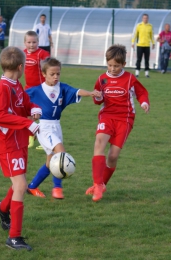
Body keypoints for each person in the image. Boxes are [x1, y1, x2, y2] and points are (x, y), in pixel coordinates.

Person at [25, 57, 101, 199]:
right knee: (61, 153)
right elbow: (19, 99)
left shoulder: (62, 88)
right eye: (52, 74)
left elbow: (77, 91)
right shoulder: (36, 90)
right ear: (43, 74)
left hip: (56, 126)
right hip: (44, 127)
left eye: (58, 74)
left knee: (50, 162)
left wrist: (90, 93)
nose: (55, 77)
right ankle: (57, 188)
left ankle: (32, 187)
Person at [0, 46, 42, 251]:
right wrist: (27, 123)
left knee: (18, 180)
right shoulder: (2, 88)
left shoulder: (16, 83)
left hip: (18, 139)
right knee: (21, 185)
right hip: (6, 142)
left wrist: (33, 108)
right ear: (20, 67)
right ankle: (14, 237)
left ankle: (2, 208)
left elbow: (23, 102)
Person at [85, 44, 150, 202]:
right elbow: (97, 100)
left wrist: (144, 102)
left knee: (113, 156)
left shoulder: (129, 79)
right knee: (99, 143)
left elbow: (142, 92)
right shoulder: (102, 79)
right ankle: (97, 184)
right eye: (110, 65)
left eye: (116, 66)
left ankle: (102, 184)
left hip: (125, 118)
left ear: (124, 65)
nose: (113, 69)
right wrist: (98, 97)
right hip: (107, 116)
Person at [23, 30, 50, 149]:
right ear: (25, 43)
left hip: (41, 89)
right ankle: (30, 138)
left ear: (38, 42)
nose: (32, 44)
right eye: (29, 42)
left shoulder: (42, 54)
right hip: (28, 89)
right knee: (27, 114)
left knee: (43, 116)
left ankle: (45, 140)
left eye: (34, 42)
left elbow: (50, 68)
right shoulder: (22, 54)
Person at [131, 14, 155, 78]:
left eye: (146, 18)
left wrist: (153, 43)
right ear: (142, 19)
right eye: (144, 18)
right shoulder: (139, 25)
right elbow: (135, 34)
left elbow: (152, 35)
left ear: (148, 19)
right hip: (140, 45)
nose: (145, 19)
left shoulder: (150, 26)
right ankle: (137, 73)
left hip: (147, 45)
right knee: (139, 59)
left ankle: (146, 73)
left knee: (147, 60)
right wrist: (133, 42)